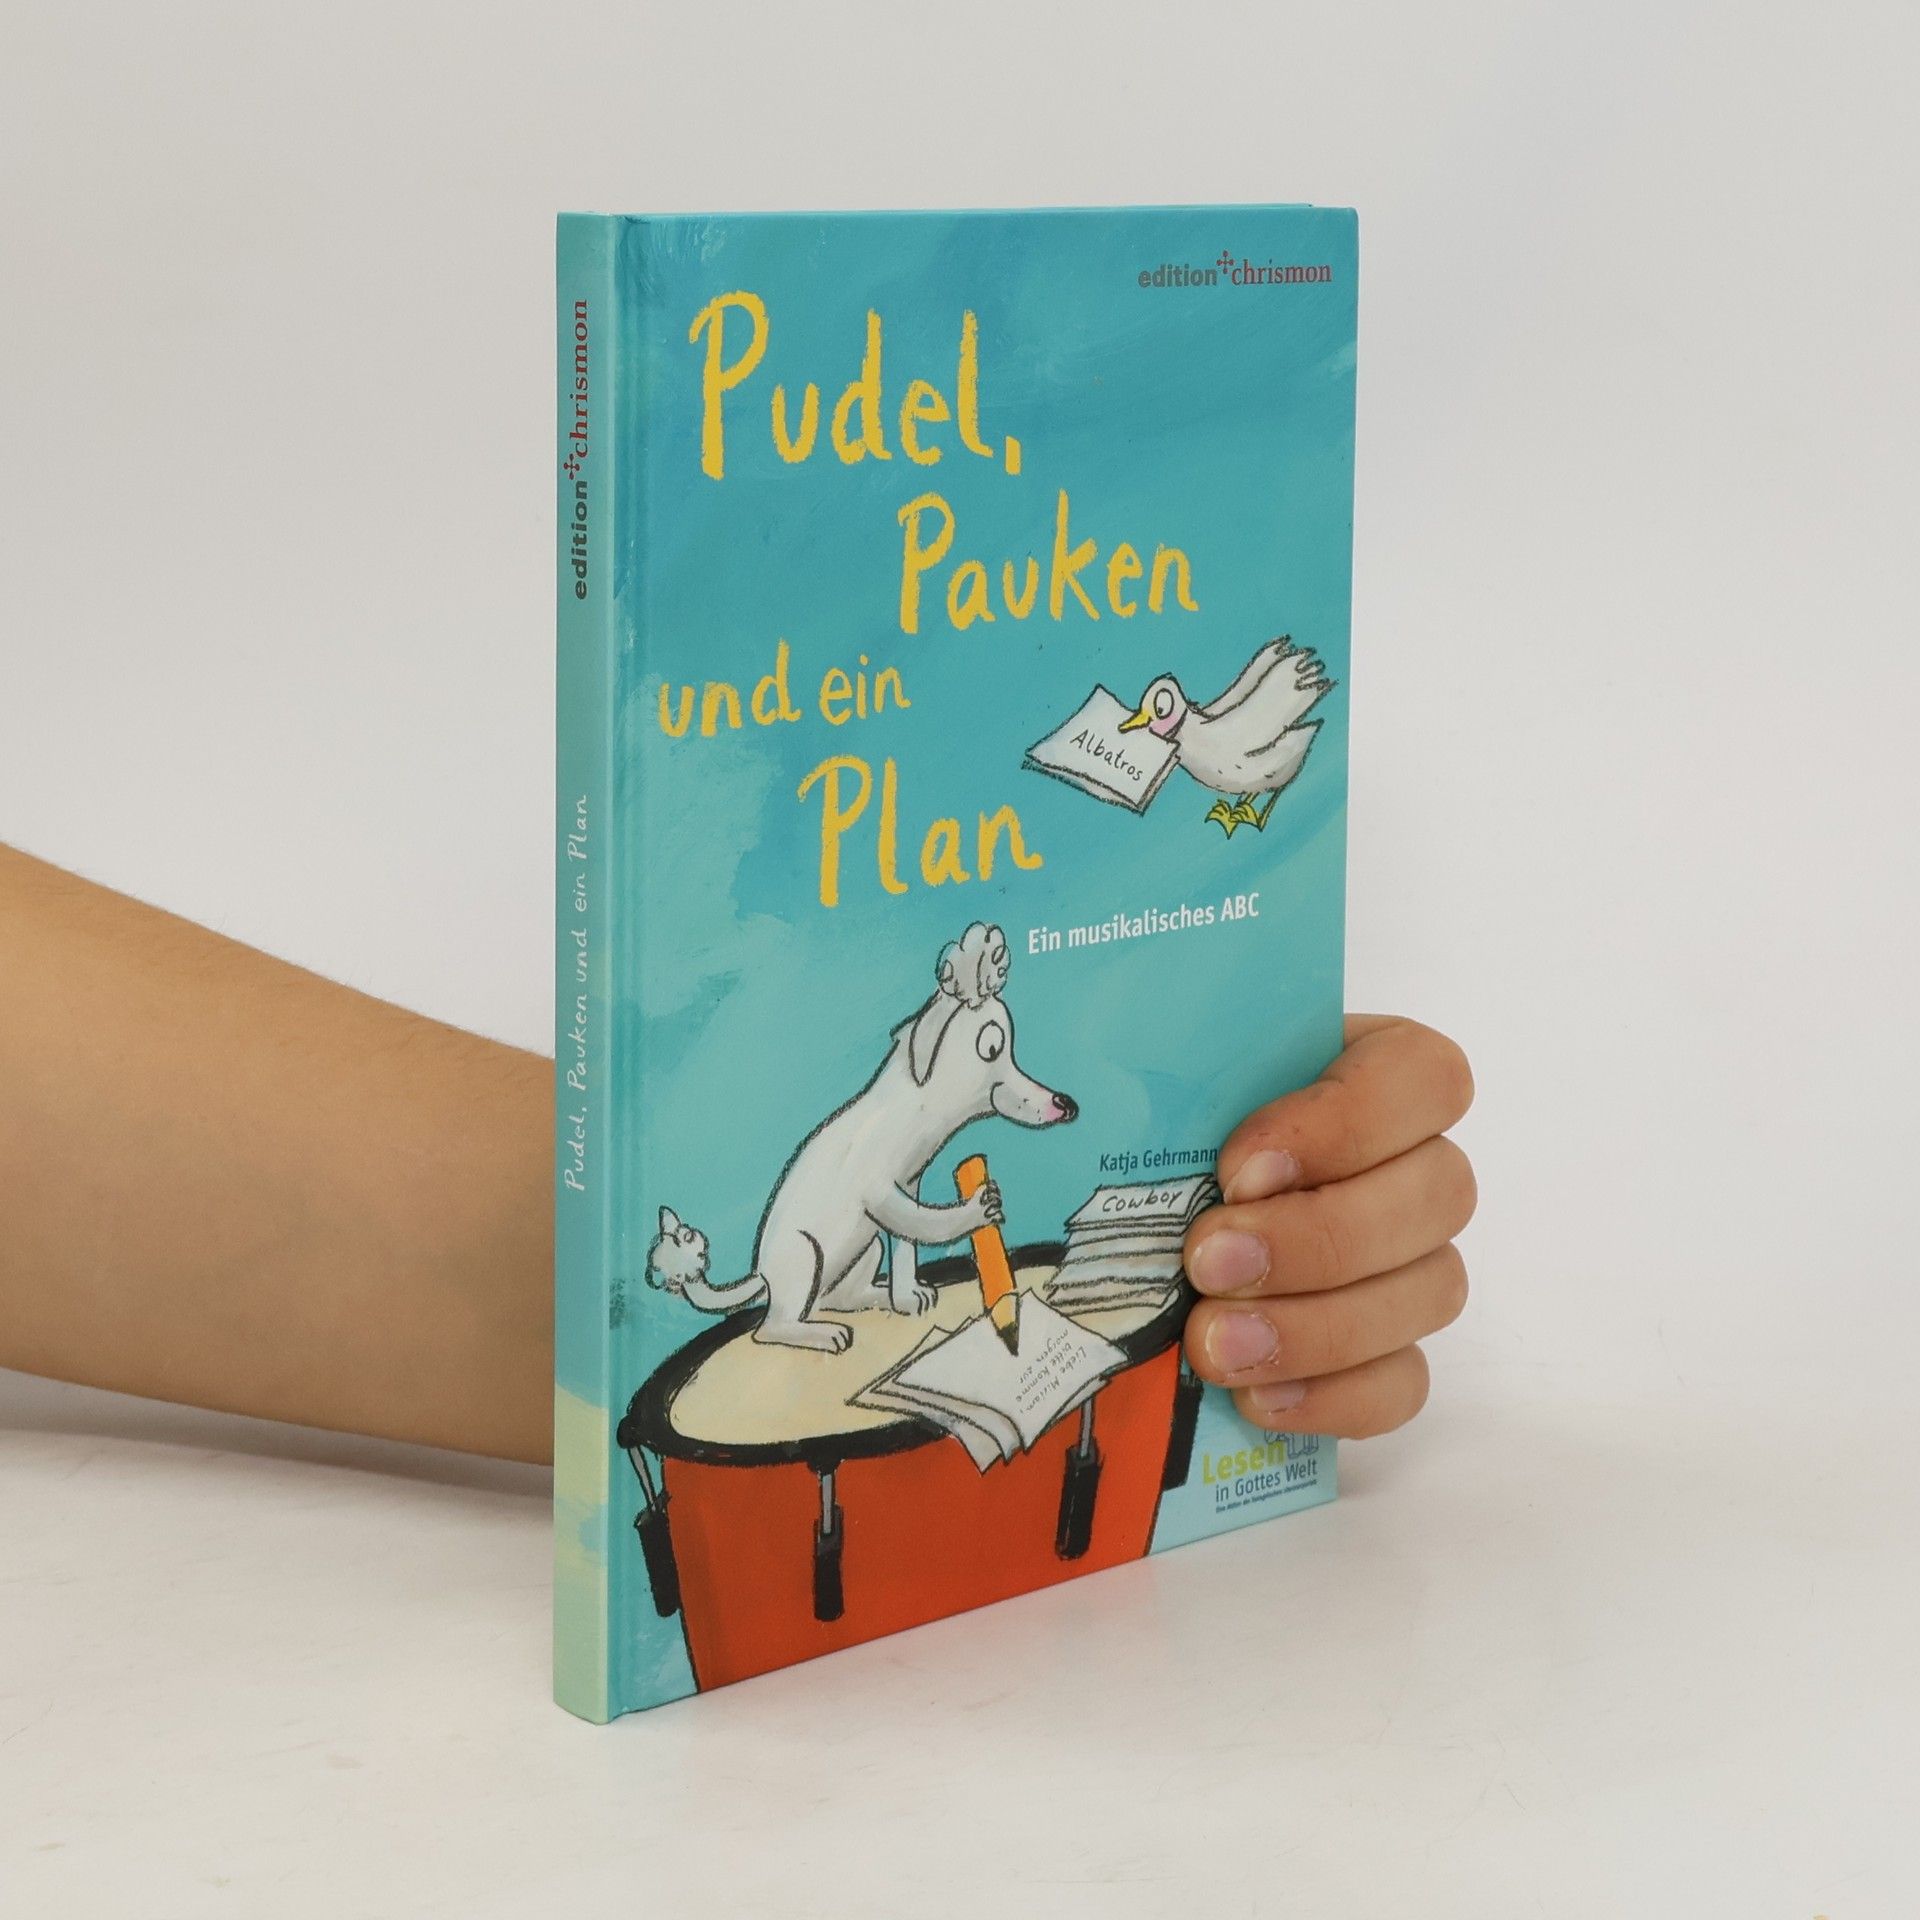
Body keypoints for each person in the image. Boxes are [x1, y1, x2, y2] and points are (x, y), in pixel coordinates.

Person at [0, 842, 1476, 1461]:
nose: (1011, 1085)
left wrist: (1205, 1146)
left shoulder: (917, 1109)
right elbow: (874, 1206)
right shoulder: (890, 1130)